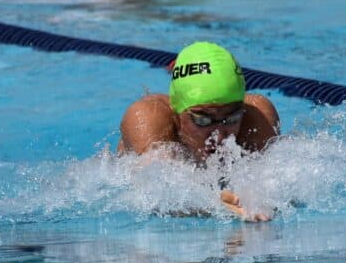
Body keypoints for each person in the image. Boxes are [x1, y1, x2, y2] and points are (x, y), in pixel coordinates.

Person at [118, 41, 280, 221]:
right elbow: (157, 189)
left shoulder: (257, 116)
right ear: (177, 112)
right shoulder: (148, 116)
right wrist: (214, 202)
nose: (219, 135)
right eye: (203, 120)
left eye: (232, 119)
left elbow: (272, 180)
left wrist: (259, 199)